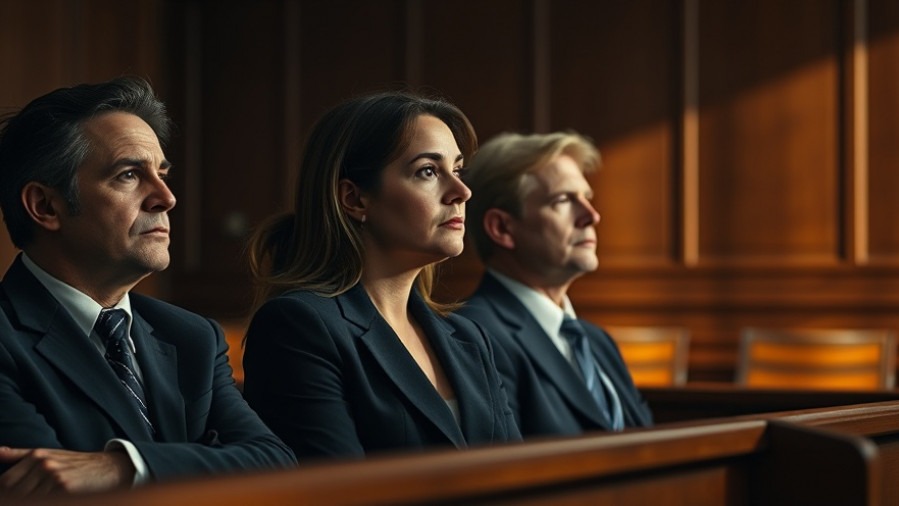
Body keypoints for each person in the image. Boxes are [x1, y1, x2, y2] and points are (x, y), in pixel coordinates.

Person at [0, 77, 296, 497]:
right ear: (46, 206)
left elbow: (272, 461)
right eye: (128, 175)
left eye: (162, 174)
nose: (166, 198)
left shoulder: (192, 336)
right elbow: (48, 490)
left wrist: (125, 466)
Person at [242, 91, 521, 462]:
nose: (462, 192)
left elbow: (516, 471)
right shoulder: (298, 326)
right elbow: (338, 485)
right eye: (428, 171)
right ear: (354, 199)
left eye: (457, 170)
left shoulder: (469, 337)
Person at [457, 131, 653, 437]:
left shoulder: (598, 340)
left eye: (586, 198)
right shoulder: (474, 337)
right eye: (563, 200)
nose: (592, 215)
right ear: (502, 228)